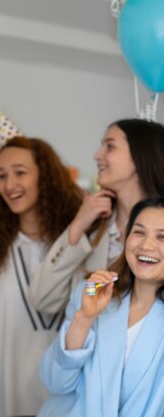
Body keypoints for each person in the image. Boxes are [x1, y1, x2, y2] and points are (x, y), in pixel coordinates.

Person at [0, 137, 82, 417]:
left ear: (46, 176)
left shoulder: (77, 245)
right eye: (1, 175)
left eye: (20, 172)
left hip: (68, 391)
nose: (9, 184)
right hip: (9, 391)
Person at [38, 197, 164, 417]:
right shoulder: (91, 291)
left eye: (162, 236)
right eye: (139, 232)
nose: (147, 245)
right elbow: (55, 382)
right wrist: (84, 317)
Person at [30, 119, 164, 315]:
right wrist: (77, 227)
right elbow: (43, 300)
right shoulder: (93, 232)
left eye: (110, 146)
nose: (97, 155)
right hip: (82, 343)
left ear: (140, 156)